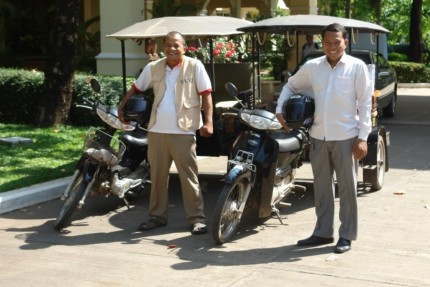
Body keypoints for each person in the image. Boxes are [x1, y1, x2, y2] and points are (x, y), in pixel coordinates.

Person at [275, 23, 373, 253]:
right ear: (322, 43)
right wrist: (280, 109)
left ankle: (346, 235)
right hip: (318, 136)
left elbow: (365, 103)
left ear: (345, 43)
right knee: (321, 187)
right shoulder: (312, 67)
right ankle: (322, 232)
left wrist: (363, 137)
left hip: (346, 138)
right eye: (327, 43)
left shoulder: (356, 67)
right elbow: (291, 85)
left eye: (337, 42)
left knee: (347, 188)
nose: (332, 47)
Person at [118, 31, 213, 235]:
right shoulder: (154, 67)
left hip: (184, 131)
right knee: (158, 177)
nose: (172, 48)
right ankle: (157, 217)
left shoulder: (195, 66)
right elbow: (136, 88)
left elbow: (206, 95)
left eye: (176, 45)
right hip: (157, 131)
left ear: (184, 48)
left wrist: (209, 122)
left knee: (189, 177)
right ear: (163, 47)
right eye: (168, 44)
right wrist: (122, 107)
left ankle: (197, 219)